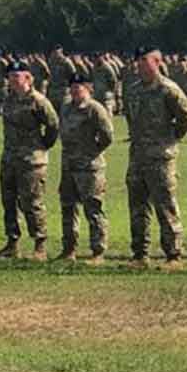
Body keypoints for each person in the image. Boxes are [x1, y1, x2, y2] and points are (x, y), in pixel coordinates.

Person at [124, 47, 187, 271]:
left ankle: (174, 255)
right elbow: (130, 118)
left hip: (161, 157)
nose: (140, 65)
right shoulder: (133, 90)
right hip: (137, 156)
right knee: (137, 207)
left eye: (145, 60)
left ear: (157, 62)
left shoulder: (168, 89)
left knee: (165, 206)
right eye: (138, 61)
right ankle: (140, 254)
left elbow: (186, 116)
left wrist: (172, 137)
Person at [0, 59, 60, 261]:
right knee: (9, 201)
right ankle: (12, 244)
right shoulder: (9, 99)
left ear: (27, 78)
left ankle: (40, 245)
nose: (11, 80)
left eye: (16, 76)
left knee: (32, 202)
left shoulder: (38, 101)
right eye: (10, 76)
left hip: (31, 160)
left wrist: (43, 146)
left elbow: (53, 125)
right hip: (10, 158)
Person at [57, 72, 115, 264]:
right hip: (68, 166)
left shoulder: (95, 109)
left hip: (89, 168)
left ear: (88, 88)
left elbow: (108, 136)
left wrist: (91, 152)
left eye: (79, 87)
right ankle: (68, 250)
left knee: (93, 209)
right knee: (68, 208)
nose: (75, 91)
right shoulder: (66, 108)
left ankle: (98, 252)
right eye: (72, 87)